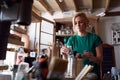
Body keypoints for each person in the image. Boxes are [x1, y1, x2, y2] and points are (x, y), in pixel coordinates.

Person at [60, 12, 103, 80]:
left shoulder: (95, 38)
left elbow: (100, 60)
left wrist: (91, 57)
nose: (78, 25)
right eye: (76, 23)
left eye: (80, 22)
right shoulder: (71, 40)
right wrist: (64, 53)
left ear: (86, 23)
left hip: (91, 73)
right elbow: (67, 60)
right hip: (75, 72)